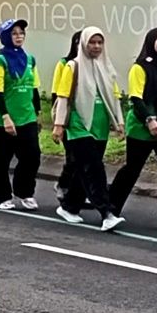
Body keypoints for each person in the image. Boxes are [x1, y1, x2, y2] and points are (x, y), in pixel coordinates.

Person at [51, 26, 126, 232]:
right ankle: (107, 212)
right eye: (92, 42)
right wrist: (58, 126)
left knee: (84, 169)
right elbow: (64, 97)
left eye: (99, 42)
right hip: (78, 126)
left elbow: (114, 98)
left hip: (99, 126)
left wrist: (119, 123)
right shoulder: (72, 67)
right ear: (83, 43)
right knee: (94, 169)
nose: (96, 46)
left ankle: (69, 206)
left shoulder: (106, 68)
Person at [108, 28, 157, 228]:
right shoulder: (139, 67)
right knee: (133, 168)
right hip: (142, 126)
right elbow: (136, 97)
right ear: (150, 42)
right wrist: (150, 119)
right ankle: (110, 209)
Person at [0, 19, 42, 210]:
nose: (19, 37)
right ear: (5, 37)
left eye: (21, 33)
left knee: (32, 157)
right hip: (3, 119)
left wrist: (38, 113)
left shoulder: (30, 60)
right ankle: (0, 196)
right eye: (14, 33)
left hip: (27, 117)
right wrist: (5, 117)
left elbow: (34, 88)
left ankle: (24, 191)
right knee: (1, 160)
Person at [51, 31, 83, 200]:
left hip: (86, 118)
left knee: (83, 158)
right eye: (78, 42)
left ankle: (78, 190)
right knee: (72, 156)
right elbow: (57, 94)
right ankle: (63, 184)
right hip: (69, 116)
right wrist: (58, 122)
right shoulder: (65, 64)